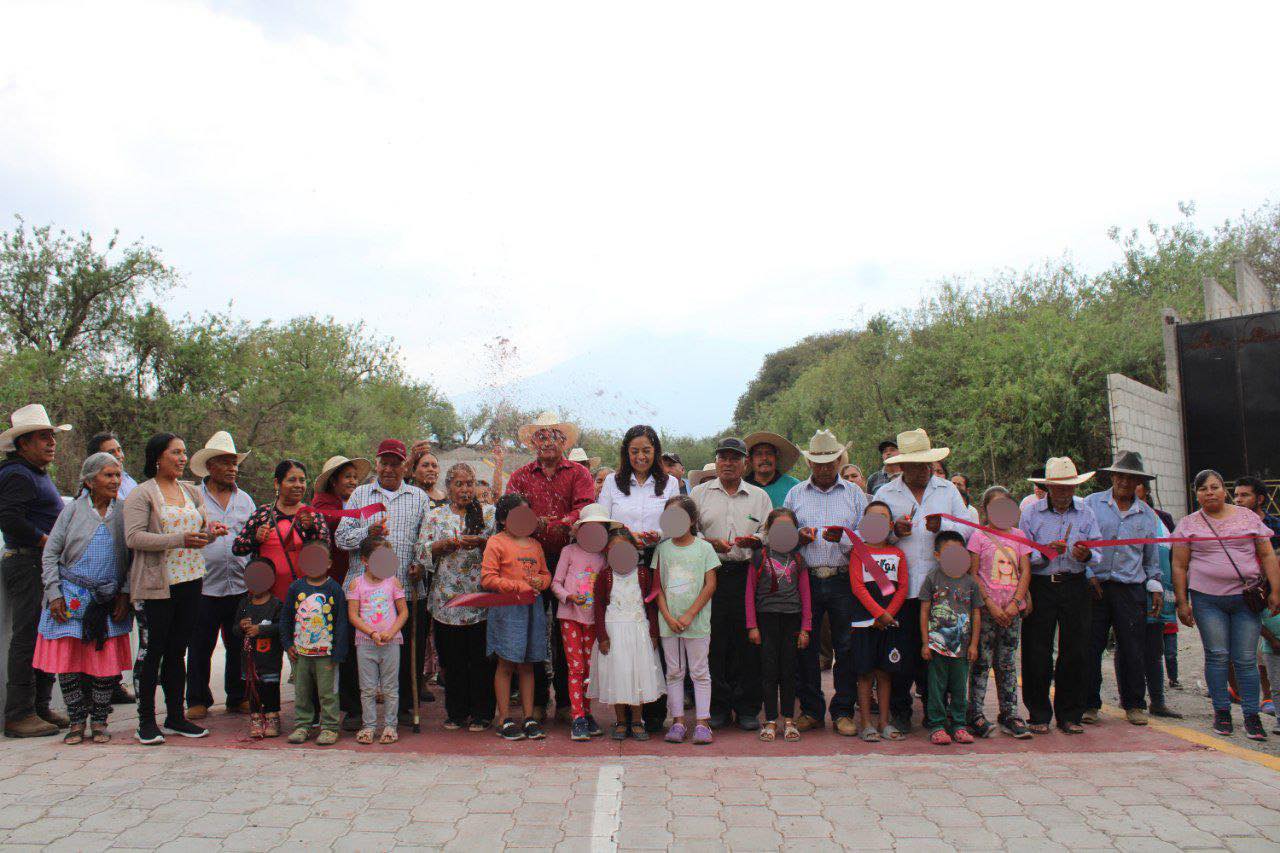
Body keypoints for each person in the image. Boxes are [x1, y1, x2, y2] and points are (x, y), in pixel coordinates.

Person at [123, 432, 227, 744]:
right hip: (157, 585)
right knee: (152, 651)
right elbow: (134, 537)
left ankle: (175, 716)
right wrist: (177, 540)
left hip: (191, 580)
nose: (182, 458)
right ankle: (145, 721)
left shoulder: (191, 492)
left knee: (177, 650)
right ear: (157, 457)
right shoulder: (142, 495)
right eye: (175, 453)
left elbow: (198, 532)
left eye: (184, 453)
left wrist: (212, 534)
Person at [873, 429, 969, 734]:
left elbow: (968, 530)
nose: (922, 471)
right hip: (899, 589)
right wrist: (893, 532)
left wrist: (945, 526)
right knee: (900, 651)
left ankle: (934, 710)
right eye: (915, 465)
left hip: (941, 589)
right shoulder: (886, 494)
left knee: (937, 654)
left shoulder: (947, 491)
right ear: (902, 466)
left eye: (926, 464)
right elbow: (872, 537)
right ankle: (901, 710)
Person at [1172, 469, 1280, 740]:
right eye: (1203, 489)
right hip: (1207, 601)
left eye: (1215, 487)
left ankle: (1252, 717)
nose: (1209, 492)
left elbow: (1267, 554)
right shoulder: (1188, 524)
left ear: (1224, 490)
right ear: (1196, 495)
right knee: (1217, 655)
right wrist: (1182, 601)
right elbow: (1179, 565)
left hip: (1246, 599)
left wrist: (1276, 590)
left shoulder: (1247, 518)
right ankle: (1221, 713)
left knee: (1245, 659)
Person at [34, 452, 132, 744]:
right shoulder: (73, 511)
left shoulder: (124, 512)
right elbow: (51, 554)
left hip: (108, 599)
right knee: (71, 663)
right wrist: (54, 594)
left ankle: (100, 721)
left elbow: (132, 557)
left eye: (117, 475)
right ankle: (77, 721)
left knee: (104, 665)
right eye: (108, 475)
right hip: (72, 597)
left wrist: (124, 593)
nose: (115, 481)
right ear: (89, 481)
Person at [505, 412, 595, 722]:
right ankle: (539, 698)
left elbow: (585, 507)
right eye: (541, 436)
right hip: (528, 559)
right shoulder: (520, 476)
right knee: (534, 628)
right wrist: (531, 523)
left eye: (553, 435)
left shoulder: (579, 474)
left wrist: (561, 523)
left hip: (570, 559)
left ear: (563, 441)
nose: (546, 441)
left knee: (567, 628)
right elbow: (509, 511)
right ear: (533, 441)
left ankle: (570, 702)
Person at [335, 439, 430, 727]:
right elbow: (341, 539)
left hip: (403, 587)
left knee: (405, 650)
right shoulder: (360, 496)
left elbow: (425, 539)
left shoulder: (418, 497)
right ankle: (354, 710)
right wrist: (367, 531)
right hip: (361, 591)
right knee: (357, 651)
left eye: (395, 463)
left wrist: (421, 564)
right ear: (376, 464)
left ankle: (402, 707)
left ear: (405, 466)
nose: (389, 469)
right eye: (384, 463)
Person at [783, 429, 868, 736]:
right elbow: (783, 535)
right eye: (817, 462)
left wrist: (845, 538)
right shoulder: (795, 494)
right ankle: (811, 710)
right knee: (805, 646)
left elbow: (865, 536)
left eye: (830, 461)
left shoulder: (855, 494)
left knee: (846, 646)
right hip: (807, 578)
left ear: (839, 460)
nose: (823, 467)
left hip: (845, 578)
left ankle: (843, 710)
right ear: (809, 463)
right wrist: (797, 537)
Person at [0, 404, 73, 738]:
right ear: (23, 443)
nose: (51, 443)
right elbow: (10, 519)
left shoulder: (34, 472)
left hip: (40, 561)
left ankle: (40, 706)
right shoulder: (16, 473)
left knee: (46, 632)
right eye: (43, 437)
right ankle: (19, 712)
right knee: (28, 635)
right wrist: (47, 540)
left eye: (52, 437)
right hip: (27, 560)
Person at [691, 437, 772, 730]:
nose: (728, 463)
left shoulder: (759, 497)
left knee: (747, 642)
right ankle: (718, 706)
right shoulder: (699, 493)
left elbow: (768, 531)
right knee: (714, 643)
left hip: (746, 573)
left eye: (734, 458)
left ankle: (748, 707)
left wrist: (757, 541)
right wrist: (708, 542)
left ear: (744, 463)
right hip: (710, 574)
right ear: (715, 460)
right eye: (723, 457)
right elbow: (689, 531)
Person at [1083, 451, 1166, 727]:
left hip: (1130, 587)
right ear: (1112, 477)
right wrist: (1087, 573)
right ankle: (1089, 703)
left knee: (1132, 647)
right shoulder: (1092, 504)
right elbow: (1080, 543)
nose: (1125, 482)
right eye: (1120, 476)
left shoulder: (1146, 515)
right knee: (1091, 646)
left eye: (1131, 478)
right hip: (1095, 585)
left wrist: (1156, 587)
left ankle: (1134, 704)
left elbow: (1151, 557)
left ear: (1138, 482)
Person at [1019, 456, 1101, 735]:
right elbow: (1024, 556)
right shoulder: (1031, 513)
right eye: (1058, 487)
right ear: (1048, 488)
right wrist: (1044, 553)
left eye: (1069, 487)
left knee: (1076, 650)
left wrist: (1086, 554)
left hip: (1075, 584)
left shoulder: (1086, 512)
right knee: (1036, 650)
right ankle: (1038, 713)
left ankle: (1070, 714)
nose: (1065, 492)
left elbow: (1099, 551)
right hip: (1042, 585)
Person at [418, 462, 497, 732]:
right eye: (459, 484)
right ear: (449, 487)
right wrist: (443, 545)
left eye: (469, 484)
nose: (465, 489)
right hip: (446, 601)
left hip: (480, 600)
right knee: (452, 661)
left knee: (480, 660)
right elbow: (423, 551)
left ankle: (482, 713)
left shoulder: (489, 514)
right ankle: (456, 712)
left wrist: (483, 542)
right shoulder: (436, 516)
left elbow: (502, 547)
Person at [185, 431, 256, 721]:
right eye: (226, 462)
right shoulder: (193, 497)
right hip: (203, 585)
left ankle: (237, 696)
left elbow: (252, 538)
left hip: (239, 584)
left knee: (238, 643)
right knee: (200, 645)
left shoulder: (245, 501)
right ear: (210, 466)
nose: (232, 468)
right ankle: (198, 698)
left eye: (235, 462)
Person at [481, 493, 551, 741]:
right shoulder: (496, 543)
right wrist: (518, 586)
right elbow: (488, 579)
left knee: (528, 663)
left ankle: (529, 716)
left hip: (533, 608)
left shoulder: (535, 545)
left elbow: (545, 575)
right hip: (507, 609)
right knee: (506, 663)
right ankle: (504, 718)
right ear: (502, 519)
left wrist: (540, 582)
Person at [965, 487, 1033, 739]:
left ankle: (1010, 712)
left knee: (1007, 663)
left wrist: (1015, 602)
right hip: (986, 611)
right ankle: (975, 713)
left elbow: (1025, 571)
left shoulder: (1019, 536)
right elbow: (973, 573)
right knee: (981, 662)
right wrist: (990, 605)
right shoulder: (979, 537)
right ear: (985, 511)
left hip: (1012, 611)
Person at [311, 455, 371, 730]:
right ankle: (331, 705)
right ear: (333, 481)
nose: (352, 481)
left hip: (353, 581)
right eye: (346, 476)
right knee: (334, 645)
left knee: (349, 644)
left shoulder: (351, 504)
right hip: (331, 582)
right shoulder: (324, 507)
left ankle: (348, 702)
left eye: (354, 477)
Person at [589, 530, 665, 740]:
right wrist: (602, 636)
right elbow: (599, 607)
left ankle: (637, 720)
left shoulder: (642, 574)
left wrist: (654, 634)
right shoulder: (605, 576)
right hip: (614, 633)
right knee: (618, 675)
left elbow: (650, 605)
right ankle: (621, 720)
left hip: (638, 632)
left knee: (637, 675)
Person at [654, 494, 718, 745]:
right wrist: (668, 616)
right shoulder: (662, 549)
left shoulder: (705, 548)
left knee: (700, 672)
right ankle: (678, 721)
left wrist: (691, 613)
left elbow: (710, 584)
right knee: (674, 672)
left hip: (698, 623)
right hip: (669, 624)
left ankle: (703, 723)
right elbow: (657, 587)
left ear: (692, 520)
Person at [746, 507, 812, 743]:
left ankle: (789, 720)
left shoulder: (798, 559)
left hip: (792, 619)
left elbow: (805, 595)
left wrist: (806, 628)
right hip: (766, 620)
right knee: (769, 671)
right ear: (768, 530)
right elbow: (749, 594)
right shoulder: (759, 556)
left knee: (789, 671)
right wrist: (752, 625)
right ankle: (771, 720)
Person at [550, 504, 614, 741]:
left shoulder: (604, 556)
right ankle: (577, 716)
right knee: (575, 667)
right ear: (580, 530)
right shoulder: (568, 551)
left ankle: (587, 713)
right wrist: (568, 596)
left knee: (589, 668)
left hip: (593, 621)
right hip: (570, 618)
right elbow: (555, 583)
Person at [848, 500, 909, 742]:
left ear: (891, 525)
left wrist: (888, 614)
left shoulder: (897, 553)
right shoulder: (857, 553)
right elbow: (857, 586)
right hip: (864, 622)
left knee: (885, 673)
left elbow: (903, 587)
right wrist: (877, 613)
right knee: (864, 674)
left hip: (889, 623)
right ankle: (865, 722)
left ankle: (884, 721)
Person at [281, 542, 349, 746]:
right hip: (300, 653)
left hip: (326, 653)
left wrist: (338, 653)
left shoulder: (334, 589)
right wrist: (287, 644)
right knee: (302, 692)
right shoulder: (296, 587)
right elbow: (286, 618)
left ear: (328, 563)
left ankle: (329, 727)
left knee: (328, 693)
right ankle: (303, 724)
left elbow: (341, 623)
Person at [233, 460, 329, 602]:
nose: (298, 485)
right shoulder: (263, 514)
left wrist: (310, 529)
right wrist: (256, 538)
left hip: (305, 595)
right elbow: (237, 548)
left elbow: (326, 552)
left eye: (302, 480)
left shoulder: (312, 515)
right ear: (277, 483)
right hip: (266, 596)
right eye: (292, 480)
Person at [920, 531, 982, 745]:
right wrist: (925, 642)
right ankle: (937, 725)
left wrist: (973, 644)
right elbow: (924, 611)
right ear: (937, 555)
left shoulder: (971, 583)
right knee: (936, 687)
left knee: (959, 687)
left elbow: (975, 613)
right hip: (937, 647)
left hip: (962, 648)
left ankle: (958, 724)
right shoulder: (932, 578)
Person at [347, 538, 409, 745]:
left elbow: (403, 612)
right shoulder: (356, 584)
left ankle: (390, 725)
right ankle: (369, 726)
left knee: (391, 687)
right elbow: (353, 615)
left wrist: (391, 632)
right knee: (367, 688)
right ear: (365, 560)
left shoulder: (393, 582)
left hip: (391, 643)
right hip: (365, 643)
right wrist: (371, 633)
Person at [1136, 479, 1180, 688]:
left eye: (1135, 482)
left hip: (1160, 585)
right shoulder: (1111, 514)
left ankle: (1157, 694)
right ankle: (1134, 696)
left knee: (1157, 643)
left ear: (1145, 489)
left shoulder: (1162, 518)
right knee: (1131, 644)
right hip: (1131, 588)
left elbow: (1175, 556)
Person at [233, 565, 284, 740]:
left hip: (270, 658)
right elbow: (234, 629)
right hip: (249, 659)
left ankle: (272, 717)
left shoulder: (276, 604)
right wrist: (241, 627)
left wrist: (260, 630)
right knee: (253, 690)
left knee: (270, 689)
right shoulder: (244, 604)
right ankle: (255, 718)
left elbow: (282, 628)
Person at [1143, 510, 1182, 719]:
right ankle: (1132, 701)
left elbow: (1170, 558)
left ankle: (1157, 701)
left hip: (1159, 592)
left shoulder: (1160, 520)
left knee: (1155, 649)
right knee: (1129, 649)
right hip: (1129, 592)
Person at [744, 431, 802, 509]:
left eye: (769, 453)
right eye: (759, 454)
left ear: (776, 458)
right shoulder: (742, 487)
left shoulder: (794, 486)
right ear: (750, 460)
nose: (764, 458)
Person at [86, 431, 138, 500]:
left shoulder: (129, 481)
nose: (119, 455)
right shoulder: (94, 486)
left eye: (119, 450)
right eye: (111, 452)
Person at [1235, 476, 1280, 550]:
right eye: (1236, 495)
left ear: (1260, 499)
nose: (1238, 500)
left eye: (1244, 495)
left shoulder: (1276, 525)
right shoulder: (1230, 524)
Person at [407, 442, 448, 508]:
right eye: (425, 465)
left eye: (434, 466)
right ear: (413, 472)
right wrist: (411, 458)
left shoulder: (447, 498)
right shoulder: (408, 495)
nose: (431, 469)